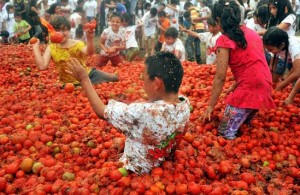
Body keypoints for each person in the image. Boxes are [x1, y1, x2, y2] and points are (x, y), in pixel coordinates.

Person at [65, 51, 190, 174]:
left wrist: (84, 79)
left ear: (157, 83)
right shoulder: (184, 104)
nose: (142, 83)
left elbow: (101, 111)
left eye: (144, 79)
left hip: (134, 171)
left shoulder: (141, 112)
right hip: (162, 163)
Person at [201, 0, 275, 140]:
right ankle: (243, 124)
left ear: (217, 19)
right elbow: (253, 63)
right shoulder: (252, 33)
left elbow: (220, 77)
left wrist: (211, 106)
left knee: (224, 133)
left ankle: (234, 146)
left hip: (250, 87)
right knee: (244, 126)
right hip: (265, 84)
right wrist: (236, 85)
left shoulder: (224, 40)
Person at [31, 16, 118, 86]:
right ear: (51, 31)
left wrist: (89, 38)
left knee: (114, 78)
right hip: (68, 84)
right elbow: (42, 66)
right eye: (57, 30)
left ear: (69, 31)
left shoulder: (77, 44)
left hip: (88, 76)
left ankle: (112, 75)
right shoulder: (51, 47)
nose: (61, 33)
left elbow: (90, 52)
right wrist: (35, 48)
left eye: (64, 30)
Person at [263, 27, 300, 92]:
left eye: (271, 50)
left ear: (282, 45)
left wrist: (281, 86)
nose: (268, 52)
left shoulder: (294, 46)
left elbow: (297, 72)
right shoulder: (277, 46)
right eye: (267, 49)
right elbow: (274, 66)